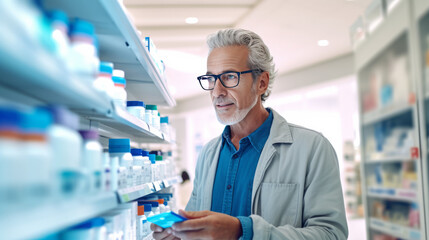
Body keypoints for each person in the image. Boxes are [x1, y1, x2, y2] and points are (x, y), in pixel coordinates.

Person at [151, 28, 348, 240]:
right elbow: (197, 224)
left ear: (261, 82)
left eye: (229, 76)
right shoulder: (209, 153)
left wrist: (243, 231)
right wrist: (181, 234)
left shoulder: (313, 148)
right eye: (211, 79)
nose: (217, 91)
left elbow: (331, 234)